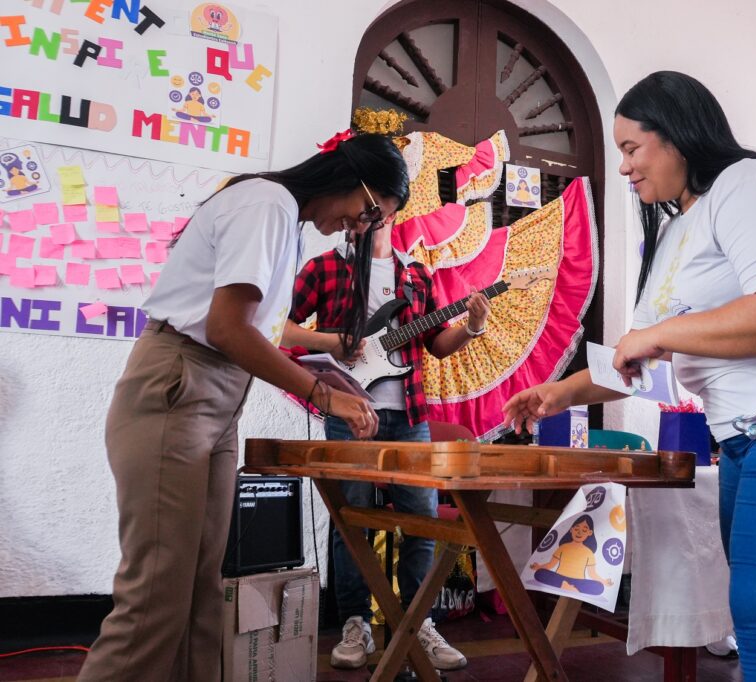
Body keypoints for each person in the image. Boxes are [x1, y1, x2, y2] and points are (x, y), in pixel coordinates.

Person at [502, 71, 756, 681]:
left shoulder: (751, 183)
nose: (624, 167)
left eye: (632, 148)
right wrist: (559, 392)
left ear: (676, 136)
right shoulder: (674, 233)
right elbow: (636, 355)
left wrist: (661, 335)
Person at [76, 131, 408, 682]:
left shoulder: (287, 220)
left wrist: (324, 372)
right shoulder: (267, 203)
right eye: (371, 211)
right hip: (180, 386)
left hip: (214, 394)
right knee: (156, 595)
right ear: (350, 177)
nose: (362, 226)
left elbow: (251, 333)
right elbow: (227, 328)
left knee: (199, 591)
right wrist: (322, 394)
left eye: (376, 221)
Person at [282, 207, 491, 671]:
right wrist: (331, 342)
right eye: (354, 212)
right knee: (350, 521)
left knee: (423, 520)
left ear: (392, 209)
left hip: (410, 416)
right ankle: (355, 622)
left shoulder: (416, 275)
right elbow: (279, 326)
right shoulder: (325, 267)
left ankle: (418, 623)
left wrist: (472, 327)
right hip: (348, 413)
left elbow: (436, 344)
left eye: (372, 208)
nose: (358, 218)